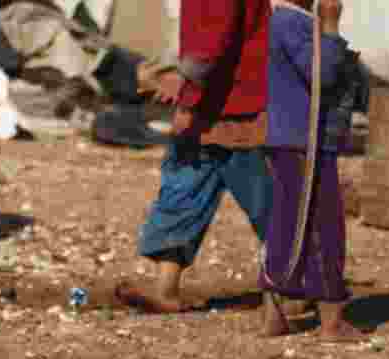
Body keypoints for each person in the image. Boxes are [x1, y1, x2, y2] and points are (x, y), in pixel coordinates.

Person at [115, 0, 273, 313]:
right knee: (184, 191)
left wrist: (186, 96)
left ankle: (292, 288)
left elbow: (214, 41)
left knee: (269, 204)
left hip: (238, 105)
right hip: (214, 104)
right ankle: (165, 288)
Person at [259, 0, 367, 339]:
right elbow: (323, 75)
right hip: (304, 141)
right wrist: (332, 27)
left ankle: (273, 315)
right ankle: (331, 321)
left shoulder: (282, 20)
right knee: (323, 228)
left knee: (288, 224)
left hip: (293, 140)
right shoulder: (291, 22)